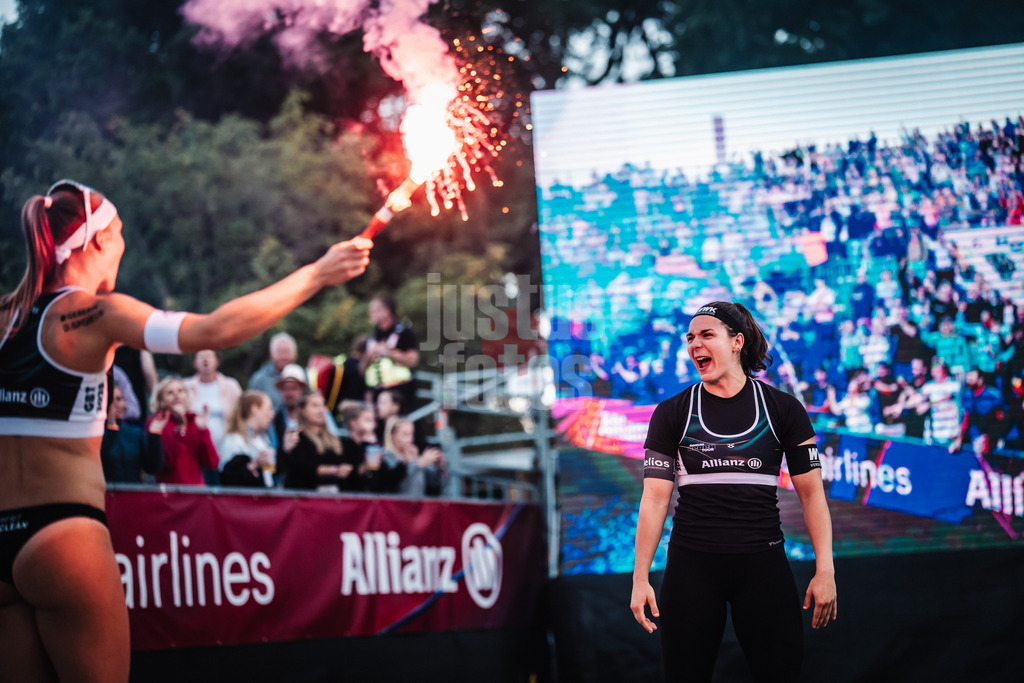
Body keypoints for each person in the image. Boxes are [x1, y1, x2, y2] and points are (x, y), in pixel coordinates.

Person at [0, 179, 370, 681]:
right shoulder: (93, 314)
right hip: (64, 537)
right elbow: (213, 331)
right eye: (121, 232)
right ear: (97, 241)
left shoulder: (5, 316)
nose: (124, 246)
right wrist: (315, 275)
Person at [631, 301, 836, 682]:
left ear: (737, 341)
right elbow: (655, 498)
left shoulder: (784, 410)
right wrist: (640, 577)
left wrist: (826, 569)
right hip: (691, 569)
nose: (695, 345)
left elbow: (812, 495)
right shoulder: (672, 412)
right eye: (690, 338)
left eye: (707, 335)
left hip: (763, 566)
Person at [146, 377, 220, 486]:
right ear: (161, 401)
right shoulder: (156, 423)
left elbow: (212, 463)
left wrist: (203, 431)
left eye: (181, 391)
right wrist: (180, 429)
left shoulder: (195, 421)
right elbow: (166, 462)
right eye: (170, 393)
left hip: (197, 494)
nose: (177, 395)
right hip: (170, 495)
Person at [284, 392, 361, 492]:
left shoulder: (337, 440)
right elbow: (302, 468)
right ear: (303, 410)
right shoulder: (297, 438)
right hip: (306, 498)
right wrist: (335, 470)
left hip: (337, 498)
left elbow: (353, 465)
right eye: (315, 405)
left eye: (323, 405)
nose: (321, 410)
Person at [183, 349, 243, 461]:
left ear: (217, 361)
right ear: (194, 362)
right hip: (195, 449)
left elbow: (241, 415)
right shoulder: (185, 386)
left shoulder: (231, 385)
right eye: (201, 357)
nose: (205, 360)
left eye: (209, 356)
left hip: (226, 448)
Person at [364, 294, 420, 409]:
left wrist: (388, 353)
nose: (371, 313)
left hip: (400, 395)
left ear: (386, 310)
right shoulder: (373, 336)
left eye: (374, 309)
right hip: (378, 394)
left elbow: (413, 360)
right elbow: (363, 369)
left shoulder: (404, 333)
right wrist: (368, 355)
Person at [100, 384, 163, 483]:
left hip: (134, 495)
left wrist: (155, 434)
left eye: (119, 399)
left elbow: (152, 468)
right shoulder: (95, 435)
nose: (116, 404)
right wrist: (111, 428)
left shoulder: (135, 434)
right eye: (110, 399)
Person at [218, 390, 277, 488]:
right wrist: (253, 466)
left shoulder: (263, 439)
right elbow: (228, 479)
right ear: (254, 409)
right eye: (269, 409)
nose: (272, 414)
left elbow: (270, 475)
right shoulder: (233, 441)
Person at [386, 418, 446, 497]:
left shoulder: (415, 456)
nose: (410, 439)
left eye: (412, 434)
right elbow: (395, 483)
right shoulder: (387, 456)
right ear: (393, 436)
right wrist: (418, 464)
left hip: (419, 506)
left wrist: (438, 467)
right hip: (397, 506)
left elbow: (435, 483)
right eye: (405, 434)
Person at [248, 331, 298, 411]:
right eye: (280, 352)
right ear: (271, 355)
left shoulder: (303, 376)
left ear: (295, 355)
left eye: (287, 352)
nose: (284, 357)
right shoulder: (260, 379)